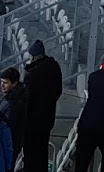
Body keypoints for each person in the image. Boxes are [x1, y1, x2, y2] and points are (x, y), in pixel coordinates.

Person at [22, 41, 62, 172]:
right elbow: (57, 91)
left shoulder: (33, 73)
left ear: (33, 56)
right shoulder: (54, 67)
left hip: (32, 120)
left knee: (30, 153)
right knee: (42, 150)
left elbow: (27, 99)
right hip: (48, 117)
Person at [0, 68, 29, 170]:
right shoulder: (16, 96)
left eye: (5, 83)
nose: (2, 85)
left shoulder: (15, 103)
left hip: (11, 141)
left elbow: (8, 123)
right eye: (1, 82)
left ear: (14, 83)